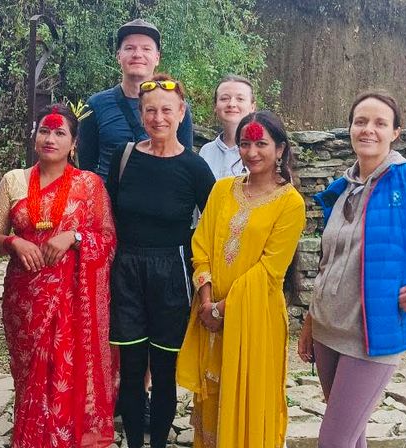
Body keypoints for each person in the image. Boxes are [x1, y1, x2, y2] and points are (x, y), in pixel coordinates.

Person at [297, 91, 406, 448]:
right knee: (351, 437)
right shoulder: (342, 189)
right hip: (327, 332)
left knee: (333, 441)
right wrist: (311, 319)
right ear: (350, 128)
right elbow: (330, 263)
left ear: (395, 132)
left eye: (379, 123)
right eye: (360, 121)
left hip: (374, 339)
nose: (368, 129)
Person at [0, 103, 118, 448]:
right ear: (34, 136)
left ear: (74, 143)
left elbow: (107, 240)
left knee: (66, 375)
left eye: (59, 133)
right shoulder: (13, 180)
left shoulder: (89, 185)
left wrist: (74, 237)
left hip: (72, 301)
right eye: (44, 130)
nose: (50, 139)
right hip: (24, 300)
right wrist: (13, 242)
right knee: (30, 380)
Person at [176, 110, 305, 447]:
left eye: (261, 144)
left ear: (280, 149)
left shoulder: (290, 203)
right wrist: (207, 302)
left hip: (255, 318)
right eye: (245, 144)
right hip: (210, 319)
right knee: (213, 400)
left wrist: (222, 309)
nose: (252, 152)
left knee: (248, 399)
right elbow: (201, 245)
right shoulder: (222, 190)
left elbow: (269, 270)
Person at [106, 74, 215, 448]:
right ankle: (135, 442)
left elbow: (214, 226)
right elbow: (106, 216)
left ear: (181, 113)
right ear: (141, 114)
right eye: (150, 110)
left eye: (167, 110)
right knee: (132, 369)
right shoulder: (124, 158)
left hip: (173, 273)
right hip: (127, 271)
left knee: (165, 370)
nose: (158, 118)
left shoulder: (194, 167)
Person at [78, 18, 194, 180]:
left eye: (146, 49)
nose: (137, 54)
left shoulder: (177, 108)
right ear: (118, 56)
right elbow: (86, 169)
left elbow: (186, 164)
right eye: (129, 48)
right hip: (108, 194)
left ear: (157, 57)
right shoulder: (95, 105)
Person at [199, 75, 256, 179]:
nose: (231, 104)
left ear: (252, 107)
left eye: (240, 99)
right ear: (215, 106)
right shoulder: (206, 152)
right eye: (224, 98)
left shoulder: (261, 151)